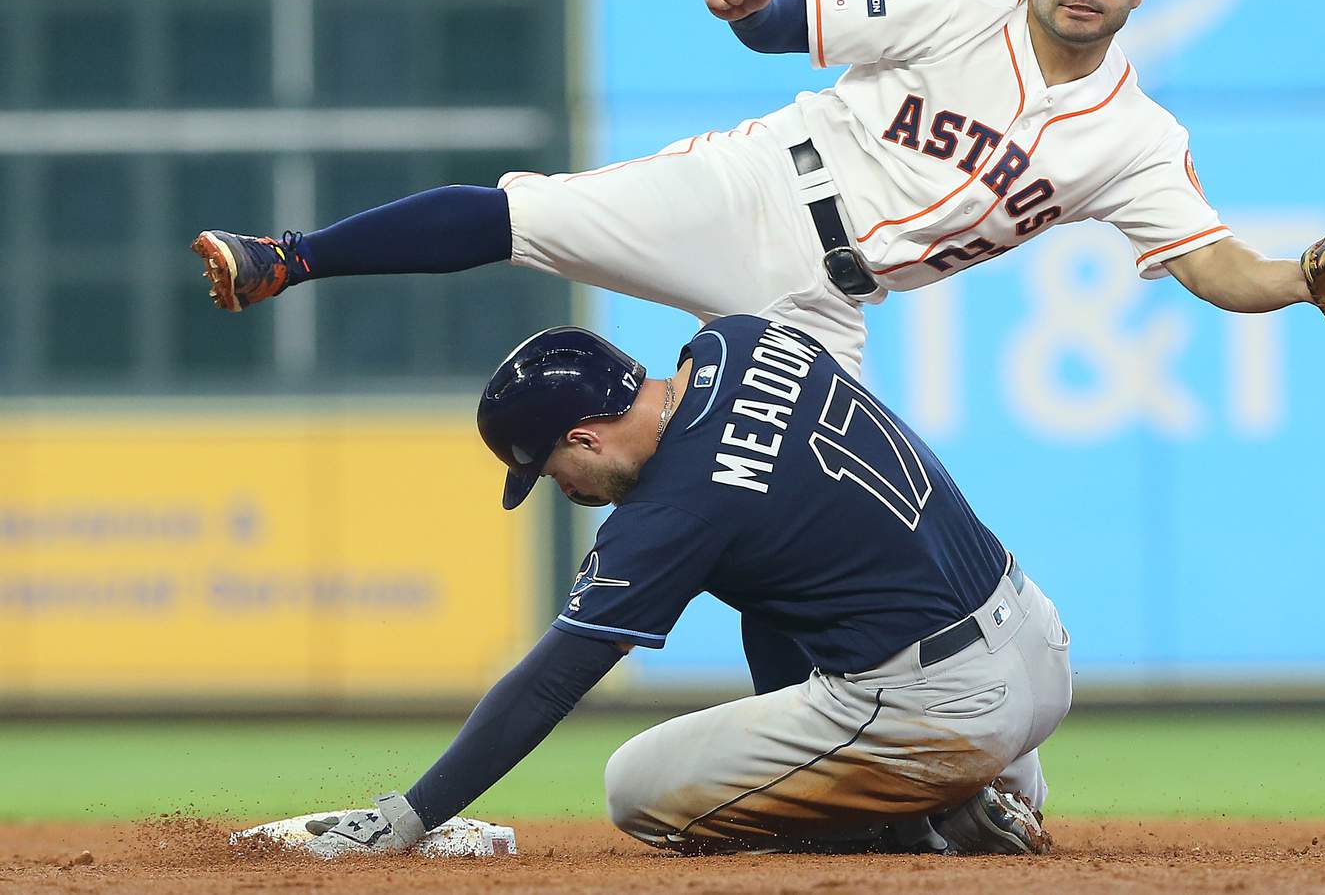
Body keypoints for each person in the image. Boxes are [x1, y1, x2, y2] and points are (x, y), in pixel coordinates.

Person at [192, 0, 1312, 378]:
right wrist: (751, 7)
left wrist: (1309, 275)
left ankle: (848, 761)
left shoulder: (1136, 138)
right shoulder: (943, 0)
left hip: (831, 306)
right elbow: (791, 22)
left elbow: (1218, 269)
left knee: (826, 518)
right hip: (759, 188)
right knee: (524, 214)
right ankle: (285, 257)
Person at [304, 315, 1074, 857]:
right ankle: (961, 790)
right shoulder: (740, 339)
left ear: (584, 437)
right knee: (764, 585)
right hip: (1037, 645)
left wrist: (413, 814)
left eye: (551, 471)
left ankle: (928, 805)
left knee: (634, 786)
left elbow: (550, 683)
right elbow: (779, 558)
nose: (566, 490)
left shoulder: (672, 511)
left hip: (949, 711)